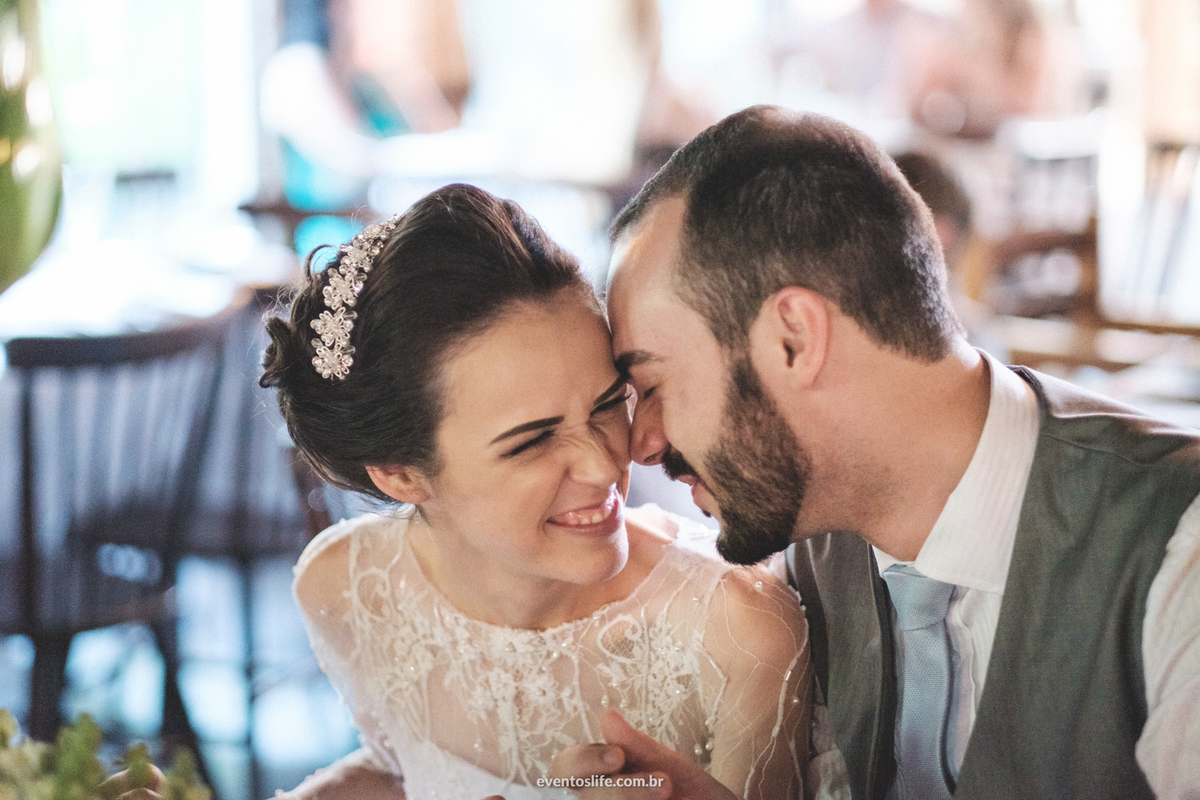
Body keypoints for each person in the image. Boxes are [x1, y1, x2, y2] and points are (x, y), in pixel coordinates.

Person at [546, 106, 1200, 800]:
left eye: (651, 383)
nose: (640, 446)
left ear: (794, 338)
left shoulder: (1175, 551)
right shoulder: (803, 549)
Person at [259, 183, 810, 800]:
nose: (606, 467)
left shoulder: (742, 633)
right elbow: (396, 770)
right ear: (401, 475)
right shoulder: (348, 585)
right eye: (532, 441)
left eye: (609, 403)